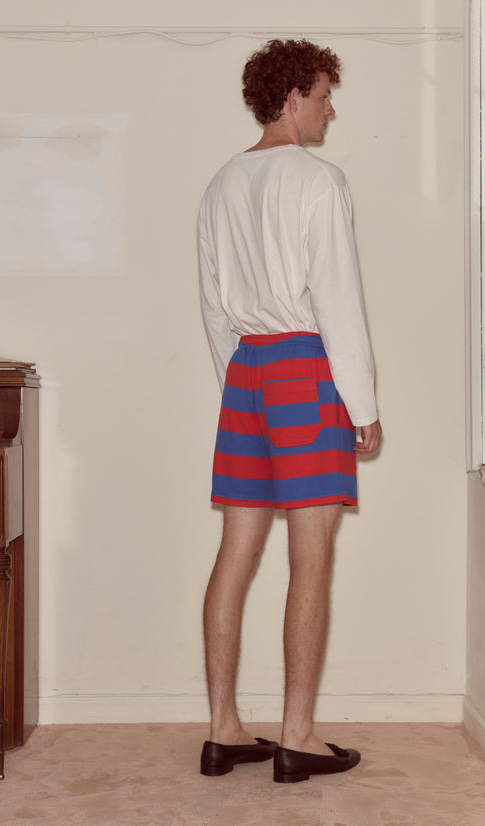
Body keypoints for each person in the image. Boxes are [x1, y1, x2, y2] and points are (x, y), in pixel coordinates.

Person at [197, 39, 382, 784]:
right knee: (312, 559)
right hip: (307, 369)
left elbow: (214, 309)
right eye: (325, 95)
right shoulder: (317, 180)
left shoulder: (220, 184)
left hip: (246, 373)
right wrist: (361, 403)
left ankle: (223, 732)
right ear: (292, 96)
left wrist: (240, 386)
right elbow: (338, 300)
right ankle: (296, 738)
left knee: (234, 556)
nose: (331, 109)